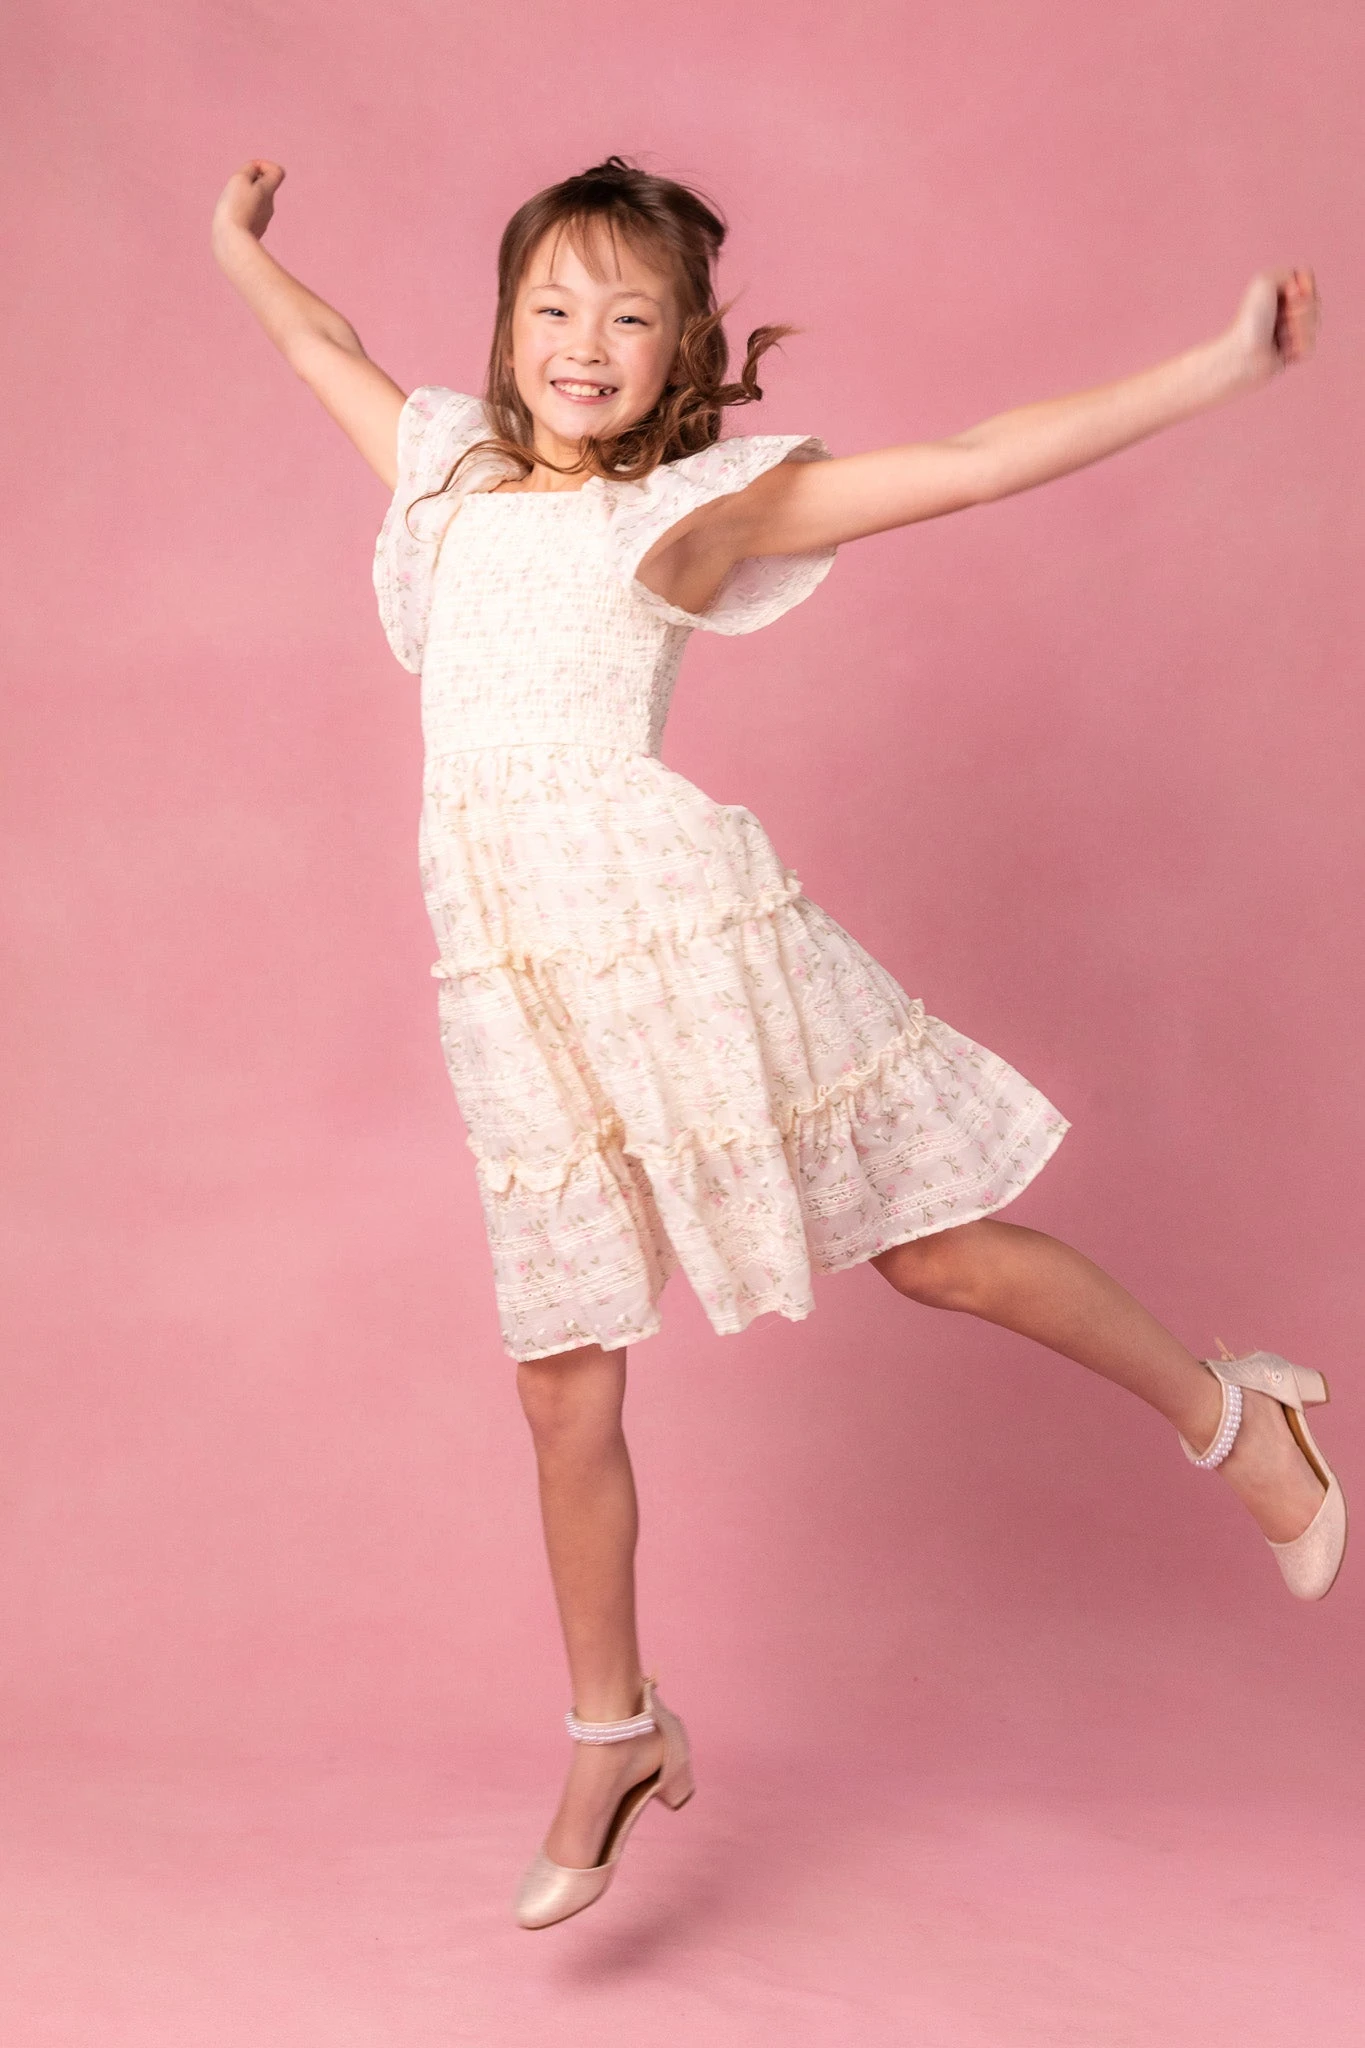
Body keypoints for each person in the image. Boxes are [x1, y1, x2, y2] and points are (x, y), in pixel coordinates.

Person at [211, 151, 1342, 1931]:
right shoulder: (447, 479)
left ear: (684, 352)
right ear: (506, 325)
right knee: (559, 1377)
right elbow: (318, 345)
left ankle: (1236, 1417)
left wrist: (1219, 367)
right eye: (554, 306)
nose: (586, 344)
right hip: (516, 988)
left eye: (630, 317)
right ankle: (614, 1730)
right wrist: (236, 245)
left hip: (686, 950)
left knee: (937, 1253)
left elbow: (970, 462)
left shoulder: (687, 518)